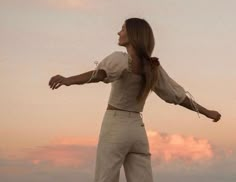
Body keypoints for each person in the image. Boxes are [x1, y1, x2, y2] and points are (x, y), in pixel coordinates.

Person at [48, 17, 221, 182]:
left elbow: (100, 75)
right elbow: (177, 96)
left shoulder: (120, 59)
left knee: (105, 178)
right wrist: (207, 112)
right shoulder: (153, 68)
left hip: (115, 126)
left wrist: (68, 80)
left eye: (122, 29)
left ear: (132, 35)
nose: (118, 32)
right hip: (138, 131)